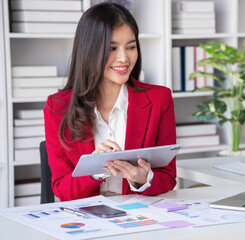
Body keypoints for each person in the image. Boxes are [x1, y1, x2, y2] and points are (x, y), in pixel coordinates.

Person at [43, 2, 177, 201]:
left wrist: (143, 178)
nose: (123, 58)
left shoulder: (159, 99)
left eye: (130, 47)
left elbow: (168, 177)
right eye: (112, 48)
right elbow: (61, 189)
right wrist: (95, 168)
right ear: (89, 50)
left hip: (139, 216)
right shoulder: (58, 107)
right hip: (85, 220)